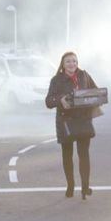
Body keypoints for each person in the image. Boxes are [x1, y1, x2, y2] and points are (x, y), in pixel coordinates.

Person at [45, 51, 98, 200]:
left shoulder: (84, 75)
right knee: (67, 155)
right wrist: (60, 100)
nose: (72, 64)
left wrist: (92, 99)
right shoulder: (56, 80)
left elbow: (96, 91)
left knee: (84, 155)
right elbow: (48, 101)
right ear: (63, 64)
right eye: (68, 61)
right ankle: (70, 185)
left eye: (74, 61)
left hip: (83, 120)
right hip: (65, 122)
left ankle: (85, 187)